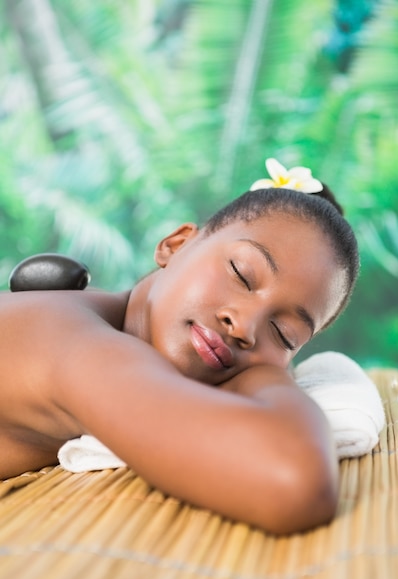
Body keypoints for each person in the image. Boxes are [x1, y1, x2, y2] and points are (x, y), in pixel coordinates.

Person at [0, 158, 359, 535]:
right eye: (241, 274)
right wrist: (268, 375)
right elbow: (295, 482)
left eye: (284, 333)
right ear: (176, 244)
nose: (245, 326)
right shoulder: (73, 341)